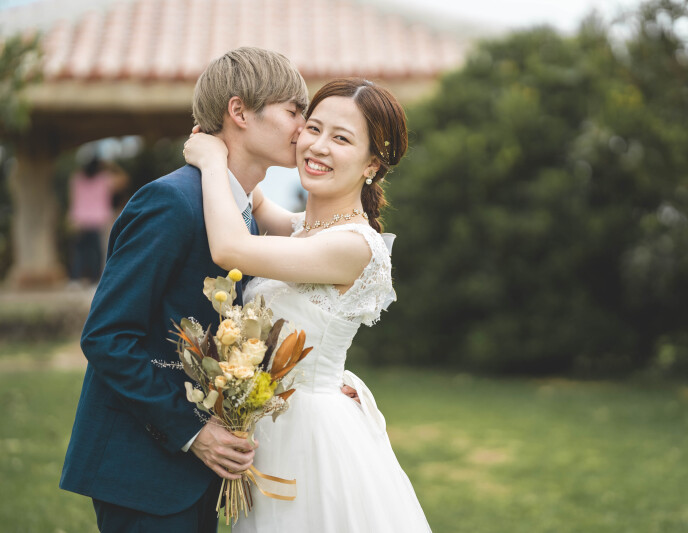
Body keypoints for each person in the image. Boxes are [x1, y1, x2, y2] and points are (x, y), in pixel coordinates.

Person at [60, 47, 343, 533]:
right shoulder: (170, 202)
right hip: (142, 469)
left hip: (204, 474)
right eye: (294, 112)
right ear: (239, 112)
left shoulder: (242, 214)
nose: (303, 129)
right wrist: (192, 433)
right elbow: (107, 336)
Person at [184, 77, 431, 532]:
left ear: (372, 163)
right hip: (269, 425)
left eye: (341, 139)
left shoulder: (355, 246)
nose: (317, 147)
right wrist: (230, 140)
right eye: (313, 129)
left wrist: (210, 160)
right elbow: (256, 201)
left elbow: (231, 249)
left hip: (312, 437)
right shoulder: (303, 229)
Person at [66, 156, 127, 285]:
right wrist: (111, 165)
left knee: (80, 252)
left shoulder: (77, 178)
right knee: (98, 252)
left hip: (80, 220)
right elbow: (124, 179)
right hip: (99, 220)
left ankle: (75, 279)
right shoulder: (104, 179)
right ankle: (96, 280)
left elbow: (72, 198)